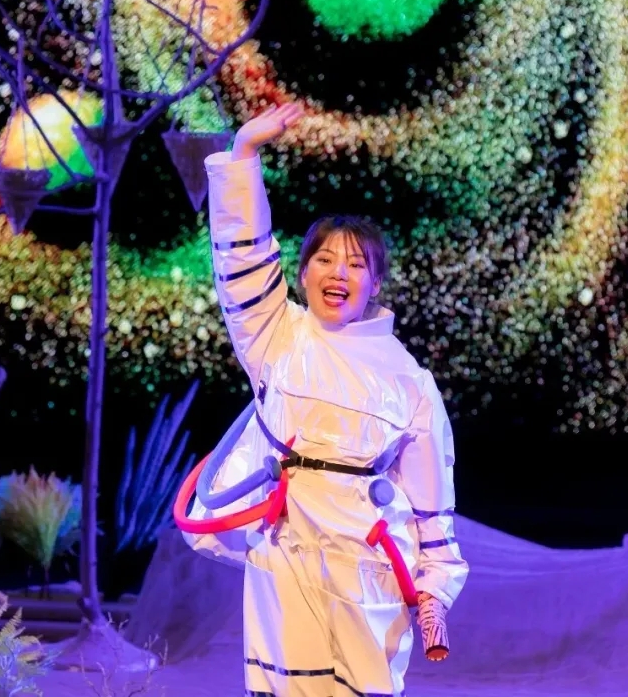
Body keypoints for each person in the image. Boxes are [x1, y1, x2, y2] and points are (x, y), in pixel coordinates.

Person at [182, 102, 468, 697]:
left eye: (356, 264)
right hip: (285, 550)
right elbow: (242, 259)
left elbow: (431, 501)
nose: (339, 272)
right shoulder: (277, 335)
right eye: (325, 258)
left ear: (375, 283)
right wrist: (243, 155)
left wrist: (435, 588)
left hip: (367, 568)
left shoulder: (410, 380)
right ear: (304, 272)